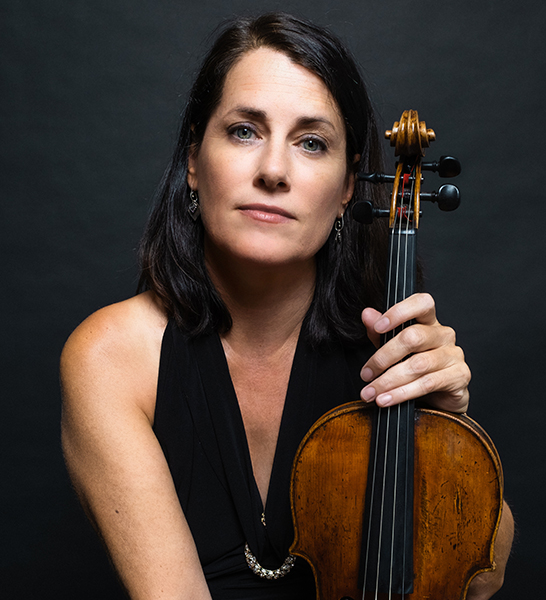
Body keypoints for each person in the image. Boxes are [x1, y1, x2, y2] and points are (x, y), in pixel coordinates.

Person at [60, 12, 513, 600]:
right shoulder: (111, 358)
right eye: (245, 131)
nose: (274, 171)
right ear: (194, 160)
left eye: (312, 143)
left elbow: (484, 582)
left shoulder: (384, 347)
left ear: (349, 188)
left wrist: (446, 421)